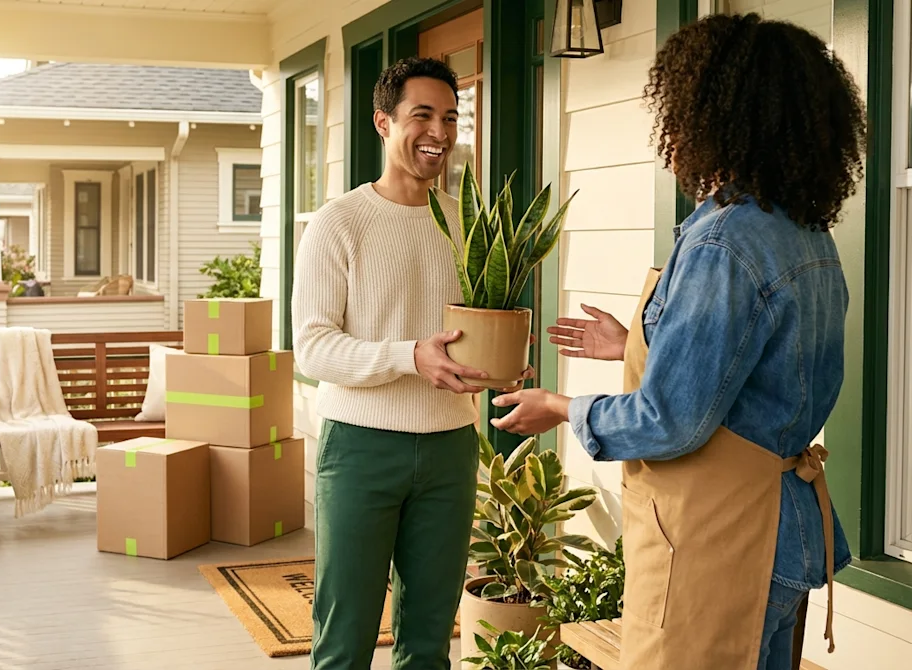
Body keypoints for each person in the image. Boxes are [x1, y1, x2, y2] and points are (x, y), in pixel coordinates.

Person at [489, 13, 863, 670]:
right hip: (786, 529)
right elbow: (760, 371)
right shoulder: (809, 237)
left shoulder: (724, 239)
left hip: (722, 541)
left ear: (713, 114)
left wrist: (561, 407)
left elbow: (670, 419)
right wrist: (632, 343)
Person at [292, 57, 487, 670]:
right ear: (383, 122)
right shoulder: (338, 223)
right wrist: (410, 357)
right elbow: (314, 347)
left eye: (450, 117)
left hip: (451, 444)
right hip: (361, 447)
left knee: (429, 640)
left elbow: (476, 329)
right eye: (421, 115)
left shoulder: (467, 222)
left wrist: (497, 362)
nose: (439, 131)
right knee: (344, 636)